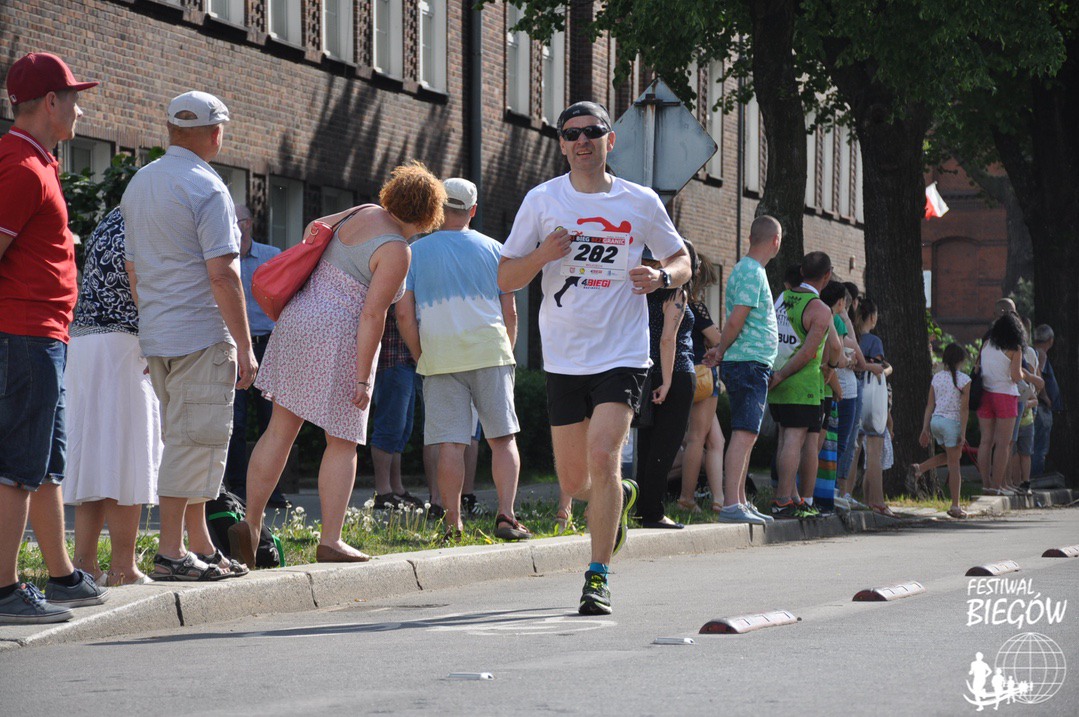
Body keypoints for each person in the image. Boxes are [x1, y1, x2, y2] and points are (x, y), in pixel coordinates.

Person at [499, 101, 691, 615]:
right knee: (574, 482)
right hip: (564, 357)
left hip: (622, 352)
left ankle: (597, 577)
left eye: (592, 131)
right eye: (572, 134)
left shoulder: (640, 201)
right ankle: (618, 495)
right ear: (562, 145)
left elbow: (682, 259)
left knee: (603, 453)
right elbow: (505, 276)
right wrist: (543, 255)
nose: (582, 141)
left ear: (610, 140)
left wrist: (662, 276)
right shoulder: (542, 200)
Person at [235, 161, 444, 564]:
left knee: (279, 431)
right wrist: (363, 380)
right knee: (344, 440)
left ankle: (252, 523)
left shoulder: (363, 211)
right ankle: (330, 540)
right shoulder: (397, 250)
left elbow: (313, 229)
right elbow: (372, 315)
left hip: (296, 319)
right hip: (338, 336)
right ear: (426, 215)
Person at [122, 90, 254, 581]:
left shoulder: (141, 182)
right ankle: (172, 552)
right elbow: (224, 274)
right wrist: (246, 346)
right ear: (215, 133)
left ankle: (200, 545)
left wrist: (153, 324)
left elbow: (134, 270)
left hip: (159, 334)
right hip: (200, 333)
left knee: (191, 441)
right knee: (192, 442)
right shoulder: (208, 187)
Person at [0, 52, 108, 623]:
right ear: (49, 102)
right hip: (24, 334)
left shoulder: (36, 161)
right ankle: (4, 589)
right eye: (74, 98)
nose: (80, 110)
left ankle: (61, 576)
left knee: (45, 463)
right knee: (19, 464)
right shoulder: (21, 166)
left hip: (43, 334)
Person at [396, 177, 529, 543]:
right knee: (502, 438)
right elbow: (510, 312)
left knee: (450, 444)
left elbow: (404, 315)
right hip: (490, 351)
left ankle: (452, 523)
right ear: (473, 210)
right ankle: (507, 515)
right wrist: (506, 352)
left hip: (440, 356)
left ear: (438, 207)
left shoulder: (414, 252)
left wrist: (421, 356)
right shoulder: (496, 250)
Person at [62, 209, 161, 586]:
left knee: (95, 457)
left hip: (84, 343)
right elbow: (143, 283)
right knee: (127, 456)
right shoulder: (151, 219)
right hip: (125, 344)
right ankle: (123, 567)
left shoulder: (113, 219)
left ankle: (85, 562)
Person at [701, 216, 783, 525]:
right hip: (748, 362)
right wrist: (721, 349)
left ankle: (740, 501)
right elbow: (737, 318)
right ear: (775, 241)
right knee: (745, 432)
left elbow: (737, 320)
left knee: (747, 433)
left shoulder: (748, 269)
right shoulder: (751, 271)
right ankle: (732, 503)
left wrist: (722, 349)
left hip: (749, 361)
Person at [767, 252, 841, 519]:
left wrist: (776, 375)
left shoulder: (782, 297)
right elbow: (809, 352)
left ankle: (792, 497)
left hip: (777, 382)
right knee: (795, 440)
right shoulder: (820, 309)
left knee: (785, 438)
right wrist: (784, 374)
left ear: (801, 271)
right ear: (827, 275)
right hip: (801, 385)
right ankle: (783, 500)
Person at [224, 204, 287, 507]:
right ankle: (237, 488)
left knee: (271, 420)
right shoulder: (221, 256)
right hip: (234, 345)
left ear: (247, 224)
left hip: (267, 344)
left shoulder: (271, 256)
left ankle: (271, 490)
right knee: (234, 420)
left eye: (235, 221)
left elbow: (287, 295)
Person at [634, 247, 696, 529]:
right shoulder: (675, 293)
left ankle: (641, 509)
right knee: (666, 446)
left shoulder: (641, 291)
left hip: (647, 371)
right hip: (676, 373)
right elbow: (668, 339)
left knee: (647, 446)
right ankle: (653, 512)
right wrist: (668, 382)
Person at [678, 252, 726, 514]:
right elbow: (717, 339)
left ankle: (719, 499)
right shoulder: (696, 306)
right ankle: (686, 498)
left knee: (716, 440)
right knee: (697, 438)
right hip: (704, 375)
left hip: (685, 371)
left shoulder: (677, 302)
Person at [976, 312, 1038, 496]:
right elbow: (1016, 376)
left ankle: (986, 483)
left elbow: (979, 367)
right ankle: (997, 486)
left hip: (985, 395)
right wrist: (1026, 374)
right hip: (1005, 396)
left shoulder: (987, 345)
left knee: (985, 442)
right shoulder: (1015, 348)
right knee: (1003, 444)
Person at [368, 309, 424, 509]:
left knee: (402, 430)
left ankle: (396, 488)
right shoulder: (395, 286)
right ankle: (383, 491)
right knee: (389, 427)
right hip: (392, 360)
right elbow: (401, 314)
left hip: (407, 361)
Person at [910, 343, 971, 518]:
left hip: (936, 422)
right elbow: (964, 409)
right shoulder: (965, 380)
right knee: (954, 465)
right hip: (952, 424)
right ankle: (955, 506)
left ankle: (920, 468)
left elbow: (930, 405)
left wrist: (925, 428)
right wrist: (963, 433)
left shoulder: (936, 378)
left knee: (951, 456)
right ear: (960, 361)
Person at [853, 298, 894, 515]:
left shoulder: (852, 337)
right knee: (874, 452)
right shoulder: (874, 341)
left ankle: (850, 496)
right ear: (872, 317)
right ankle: (877, 500)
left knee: (854, 451)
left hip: (852, 395)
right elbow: (878, 370)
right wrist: (889, 370)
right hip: (871, 400)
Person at [1031, 324, 1062, 477]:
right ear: (1050, 340)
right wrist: (1045, 397)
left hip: (1037, 405)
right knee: (1040, 447)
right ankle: (1036, 478)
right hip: (1042, 406)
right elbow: (1039, 377)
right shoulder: (1041, 354)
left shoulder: (1032, 351)